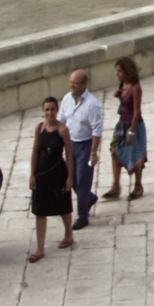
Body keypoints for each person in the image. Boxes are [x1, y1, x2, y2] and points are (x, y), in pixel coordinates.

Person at [28, 96, 75, 262]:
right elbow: (35, 151)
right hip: (41, 174)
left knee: (63, 206)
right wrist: (32, 174)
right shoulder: (39, 128)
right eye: (47, 110)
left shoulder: (63, 130)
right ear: (43, 111)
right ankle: (40, 248)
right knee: (40, 211)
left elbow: (69, 154)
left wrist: (70, 177)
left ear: (57, 110)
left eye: (52, 109)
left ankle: (68, 233)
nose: (49, 113)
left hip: (57, 173)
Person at [60, 69, 102, 230]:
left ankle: (82, 216)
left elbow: (96, 130)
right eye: (70, 82)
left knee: (83, 181)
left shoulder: (92, 104)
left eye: (75, 83)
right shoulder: (67, 99)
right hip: (71, 144)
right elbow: (61, 119)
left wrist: (93, 153)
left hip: (85, 146)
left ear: (84, 84)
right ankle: (88, 198)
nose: (71, 85)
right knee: (70, 177)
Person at [106, 57, 148, 200]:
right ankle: (116, 185)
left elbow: (136, 112)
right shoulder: (123, 84)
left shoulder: (135, 88)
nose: (117, 74)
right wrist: (119, 95)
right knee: (114, 151)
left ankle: (138, 186)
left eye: (119, 71)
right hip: (122, 124)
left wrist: (131, 132)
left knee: (136, 156)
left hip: (133, 126)